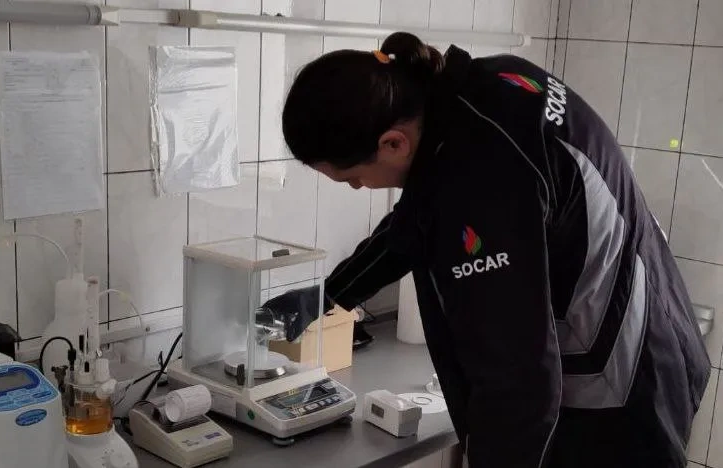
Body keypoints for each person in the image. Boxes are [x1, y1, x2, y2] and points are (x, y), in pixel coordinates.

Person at [280, 32, 710, 467]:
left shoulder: (479, 181)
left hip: (616, 402)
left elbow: (517, 382)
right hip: (655, 337)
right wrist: (331, 293)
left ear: (394, 143)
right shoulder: (481, 91)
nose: (358, 188)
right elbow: (417, 220)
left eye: (353, 178)